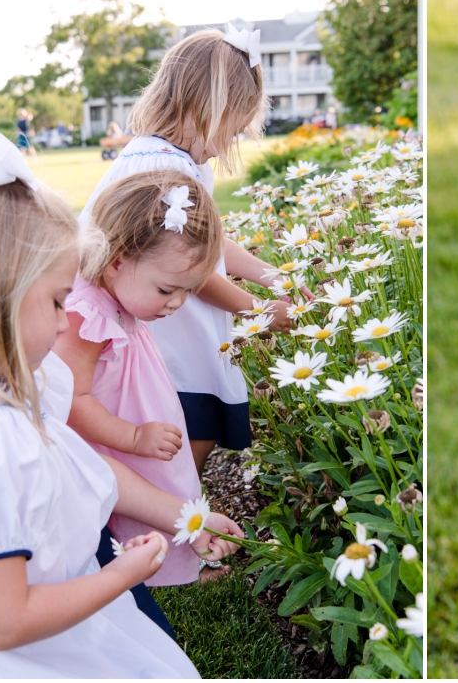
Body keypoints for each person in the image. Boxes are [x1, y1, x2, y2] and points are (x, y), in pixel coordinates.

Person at [0, 133, 243, 677]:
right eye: (55, 301)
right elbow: (1, 623)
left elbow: (94, 468)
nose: (64, 319)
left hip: (78, 609)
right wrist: (120, 576)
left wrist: (189, 519)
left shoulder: (30, 384)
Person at [77, 27, 310, 478]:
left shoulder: (178, 160)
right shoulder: (160, 166)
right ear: (204, 108)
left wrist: (275, 276)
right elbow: (191, 271)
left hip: (175, 317)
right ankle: (178, 517)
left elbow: (206, 243)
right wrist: (257, 311)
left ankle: (183, 514)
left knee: (195, 423)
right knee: (183, 426)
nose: (227, 145)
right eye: (231, 129)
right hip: (161, 327)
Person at [54, 169, 225, 586]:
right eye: (167, 290)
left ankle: (175, 555)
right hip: (111, 436)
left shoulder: (119, 294)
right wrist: (133, 437)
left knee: (161, 484)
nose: (178, 303)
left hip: (128, 420)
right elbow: (71, 400)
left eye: (188, 289)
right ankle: (135, 569)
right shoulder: (87, 314)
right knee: (130, 503)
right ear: (116, 261)